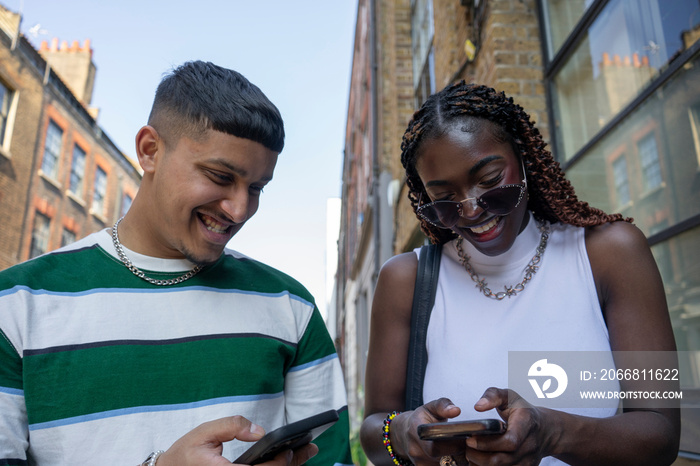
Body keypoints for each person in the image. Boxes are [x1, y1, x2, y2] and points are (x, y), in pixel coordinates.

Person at [0, 61, 352, 466]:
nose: (239, 210)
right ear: (150, 150)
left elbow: (333, 457)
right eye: (220, 177)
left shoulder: (292, 306)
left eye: (256, 188)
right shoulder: (14, 306)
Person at [360, 82, 680, 465]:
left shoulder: (610, 254)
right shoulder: (406, 280)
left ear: (524, 157)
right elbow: (373, 430)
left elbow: (660, 433)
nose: (471, 210)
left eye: (491, 180)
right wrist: (404, 431)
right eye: (443, 199)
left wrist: (552, 432)